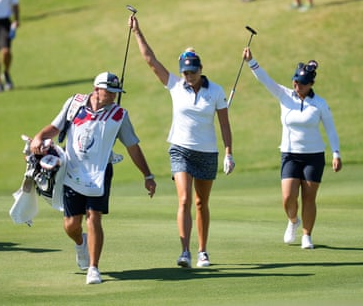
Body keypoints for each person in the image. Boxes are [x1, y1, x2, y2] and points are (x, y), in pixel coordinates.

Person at [30, 71, 157, 284]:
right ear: (97, 89)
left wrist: (148, 175)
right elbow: (56, 127)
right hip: (72, 169)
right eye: (110, 92)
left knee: (94, 216)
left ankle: (93, 268)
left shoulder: (119, 115)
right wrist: (39, 137)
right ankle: (81, 244)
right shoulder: (74, 103)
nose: (114, 96)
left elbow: (133, 147)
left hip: (100, 171)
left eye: (116, 92)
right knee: (71, 225)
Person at [128, 16, 235, 268]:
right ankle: (185, 251)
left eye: (192, 72)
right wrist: (137, 32)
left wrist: (229, 152)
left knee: (201, 203)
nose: (188, 76)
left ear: (200, 69)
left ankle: (203, 251)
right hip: (180, 149)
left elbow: (224, 124)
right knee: (184, 199)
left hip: (207, 152)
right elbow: (150, 61)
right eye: (185, 72)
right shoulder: (175, 85)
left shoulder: (216, 91)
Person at [242, 47, 342, 249]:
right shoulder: (285, 95)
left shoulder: (320, 104)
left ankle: (307, 235)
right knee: (288, 197)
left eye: (302, 83)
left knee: (309, 197)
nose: (297, 85)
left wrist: (336, 153)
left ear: (311, 84)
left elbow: (330, 129)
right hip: (289, 154)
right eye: (295, 81)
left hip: (313, 156)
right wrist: (251, 61)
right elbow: (265, 80)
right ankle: (293, 220)